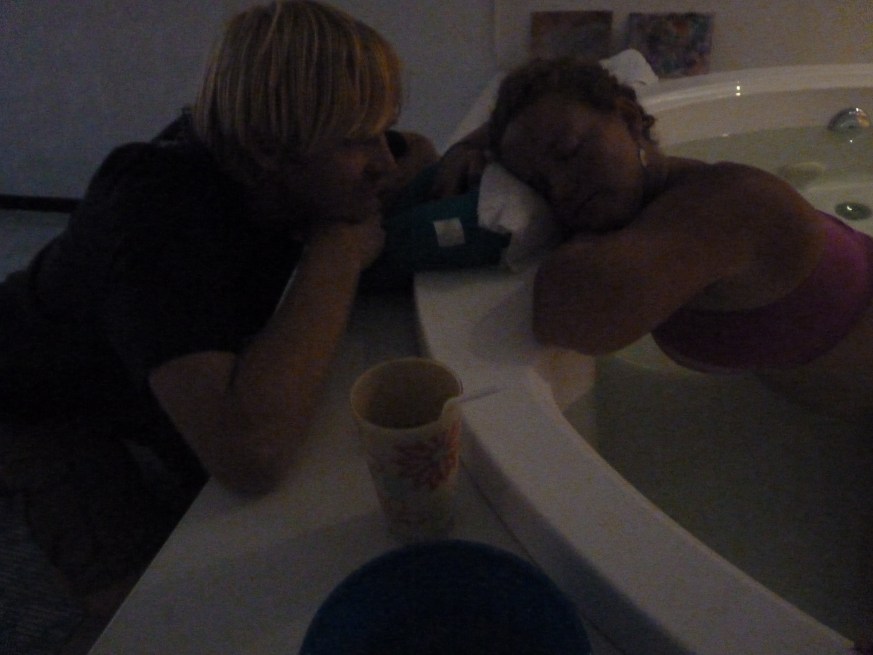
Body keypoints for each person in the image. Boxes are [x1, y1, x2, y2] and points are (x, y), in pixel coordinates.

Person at [0, 0, 435, 640]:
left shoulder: (275, 149)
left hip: (138, 362)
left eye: (380, 129)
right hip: (38, 392)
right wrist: (337, 250)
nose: (384, 162)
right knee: (156, 614)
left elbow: (417, 150)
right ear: (265, 149)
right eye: (354, 139)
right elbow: (250, 455)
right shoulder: (155, 210)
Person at [477, 57, 873, 420]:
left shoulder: (729, 204)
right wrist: (469, 148)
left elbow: (569, 318)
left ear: (629, 117)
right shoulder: (650, 218)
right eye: (539, 185)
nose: (561, 188)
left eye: (569, 151)